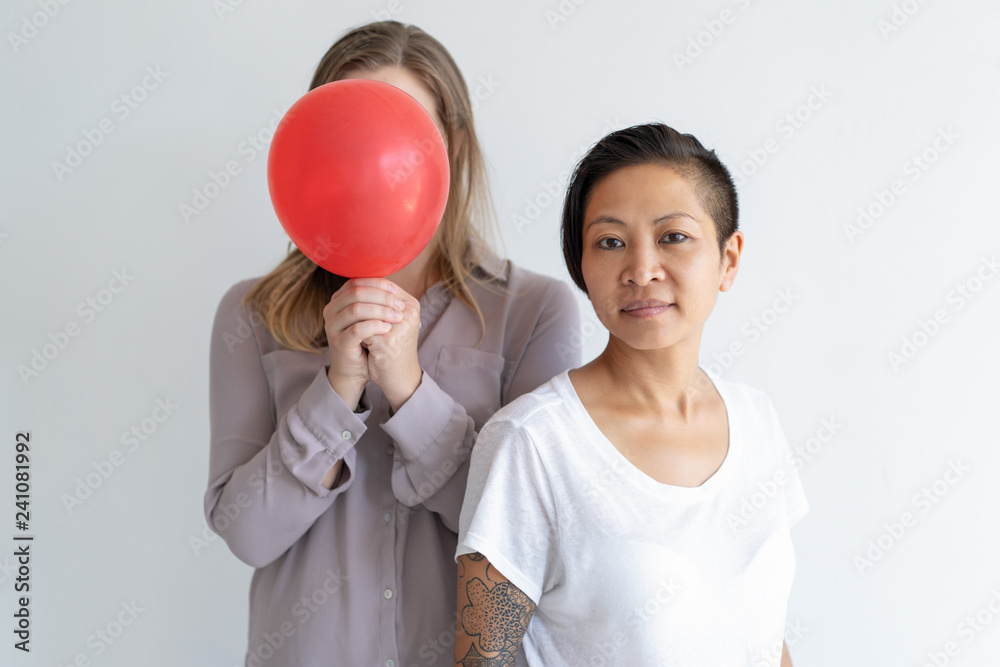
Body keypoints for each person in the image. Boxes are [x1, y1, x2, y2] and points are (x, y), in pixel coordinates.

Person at [204, 21, 581, 667]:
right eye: (349, 134)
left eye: (402, 132)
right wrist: (335, 391)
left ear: (451, 146)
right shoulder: (251, 314)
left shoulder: (535, 312)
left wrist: (410, 391)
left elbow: (535, 536)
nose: (372, 160)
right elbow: (247, 534)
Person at [454, 123, 809, 666]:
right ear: (582, 266)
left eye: (673, 237)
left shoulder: (757, 420)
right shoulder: (531, 443)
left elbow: (766, 638)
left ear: (729, 259)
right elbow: (480, 662)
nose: (641, 271)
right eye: (610, 242)